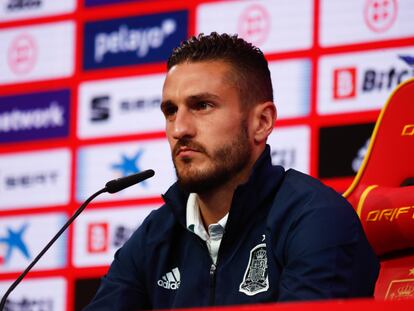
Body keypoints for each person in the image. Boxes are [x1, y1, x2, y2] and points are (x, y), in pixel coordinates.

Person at [84, 33, 379, 310]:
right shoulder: (156, 234)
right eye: (170, 111)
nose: (179, 128)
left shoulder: (316, 218)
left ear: (261, 122)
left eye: (202, 105)